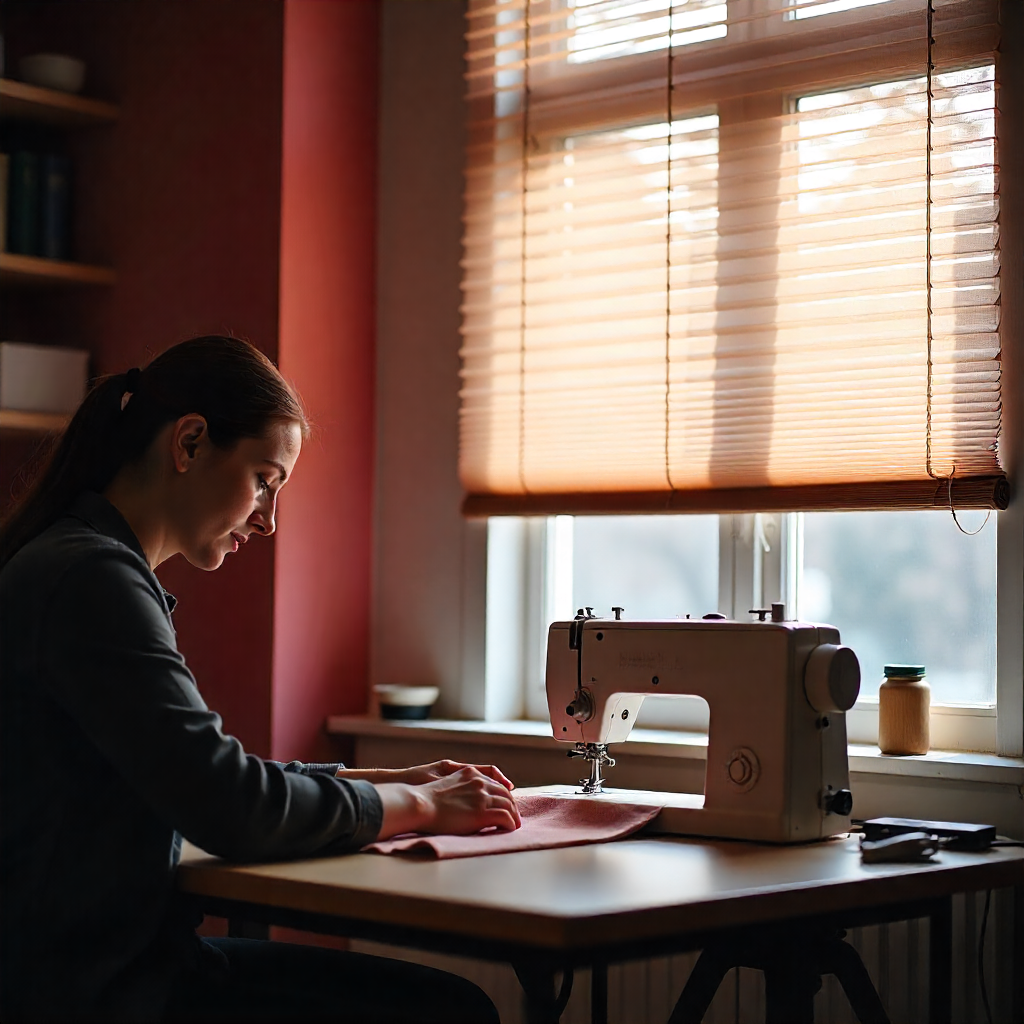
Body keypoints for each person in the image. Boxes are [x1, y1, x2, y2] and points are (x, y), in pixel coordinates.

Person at [0, 336, 521, 1023]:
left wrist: (386, 784)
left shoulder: (74, 562)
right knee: (451, 1010)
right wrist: (423, 810)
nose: (269, 519)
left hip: (91, 971)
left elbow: (201, 776)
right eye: (264, 479)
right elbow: (228, 804)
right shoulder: (92, 579)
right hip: (96, 992)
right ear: (189, 444)